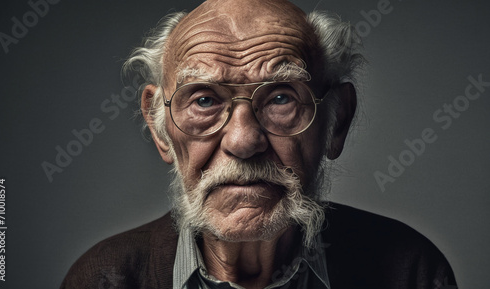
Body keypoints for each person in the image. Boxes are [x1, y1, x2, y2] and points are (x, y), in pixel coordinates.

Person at [61, 0, 457, 288]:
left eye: (281, 97)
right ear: (161, 127)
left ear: (336, 121)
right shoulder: (103, 279)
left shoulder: (410, 271)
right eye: (203, 100)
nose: (243, 141)